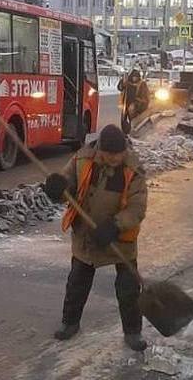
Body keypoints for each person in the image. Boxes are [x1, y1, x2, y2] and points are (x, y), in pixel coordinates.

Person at [44, 125, 149, 351]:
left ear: (124, 150)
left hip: (119, 237)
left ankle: (133, 332)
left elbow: (137, 207)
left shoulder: (133, 169)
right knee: (77, 283)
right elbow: (67, 181)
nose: (113, 159)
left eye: (118, 154)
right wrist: (58, 186)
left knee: (128, 289)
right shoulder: (83, 158)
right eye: (109, 154)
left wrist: (115, 225)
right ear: (101, 149)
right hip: (87, 235)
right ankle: (70, 323)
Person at [117, 69, 150, 134]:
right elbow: (120, 88)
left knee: (134, 120)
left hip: (136, 105)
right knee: (124, 120)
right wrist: (122, 82)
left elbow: (145, 96)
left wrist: (139, 103)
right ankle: (125, 132)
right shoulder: (127, 82)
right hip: (126, 103)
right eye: (133, 77)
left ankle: (133, 132)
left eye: (136, 77)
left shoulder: (142, 84)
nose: (135, 78)